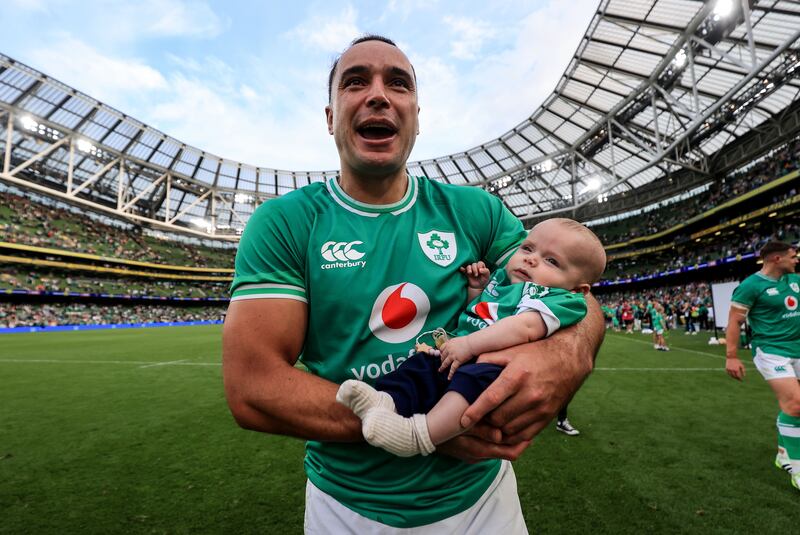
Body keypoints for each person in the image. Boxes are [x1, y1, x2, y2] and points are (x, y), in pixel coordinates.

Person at [222, 35, 604, 533]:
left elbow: (575, 295)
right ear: (331, 116)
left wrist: (568, 355)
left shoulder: (475, 211)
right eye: (355, 81)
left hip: (483, 498)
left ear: (417, 117)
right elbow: (252, 387)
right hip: (347, 507)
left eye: (397, 83)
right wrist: (410, 426)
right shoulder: (285, 223)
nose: (378, 94)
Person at [336, 218, 605, 456]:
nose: (531, 259)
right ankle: (385, 402)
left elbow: (524, 328)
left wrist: (468, 343)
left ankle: (418, 436)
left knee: (467, 387)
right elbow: (481, 314)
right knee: (419, 366)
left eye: (552, 261)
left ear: (578, 288)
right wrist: (477, 290)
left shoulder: (559, 299)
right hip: (463, 350)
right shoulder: (503, 281)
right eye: (528, 248)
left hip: (491, 363)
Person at [725, 240, 800, 491]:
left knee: (792, 405)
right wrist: (731, 356)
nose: (796, 259)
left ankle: (782, 453)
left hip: (797, 348)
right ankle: (798, 470)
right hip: (771, 351)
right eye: (793, 256)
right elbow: (734, 322)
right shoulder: (750, 286)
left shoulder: (795, 281)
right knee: (796, 403)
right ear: (776, 259)